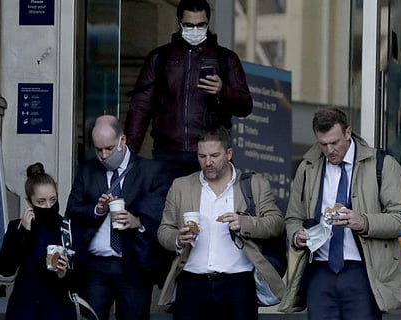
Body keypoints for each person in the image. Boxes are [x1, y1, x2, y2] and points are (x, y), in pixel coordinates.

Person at [278, 108, 401, 319]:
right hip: (320, 271)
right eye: (323, 144)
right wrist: (297, 235)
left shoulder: (382, 164)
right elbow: (293, 217)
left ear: (348, 133)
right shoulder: (307, 168)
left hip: (364, 272)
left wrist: (365, 222)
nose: (329, 150)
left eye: (335, 142)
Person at [157, 125, 285, 320]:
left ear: (229, 153)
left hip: (238, 285)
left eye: (214, 156)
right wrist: (177, 238)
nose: (208, 162)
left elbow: (276, 223)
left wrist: (245, 223)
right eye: (202, 156)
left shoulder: (255, 184)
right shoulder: (181, 186)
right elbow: (164, 230)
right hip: (191, 284)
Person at [125, 0, 253, 181]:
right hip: (167, 154)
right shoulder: (161, 58)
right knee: (167, 208)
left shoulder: (225, 59)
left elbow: (245, 106)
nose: (195, 30)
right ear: (179, 23)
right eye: (189, 25)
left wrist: (222, 90)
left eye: (201, 25)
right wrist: (128, 156)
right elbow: (140, 107)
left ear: (209, 22)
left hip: (208, 153)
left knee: (211, 208)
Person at [65, 115, 172, 320]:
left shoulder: (150, 171)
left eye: (109, 148)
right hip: (95, 266)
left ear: (122, 141)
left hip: (134, 265)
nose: (104, 155)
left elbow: (164, 214)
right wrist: (96, 210)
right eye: (98, 150)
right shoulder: (87, 171)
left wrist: (137, 221)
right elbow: (72, 211)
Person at [0, 162, 79, 320]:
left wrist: (64, 274)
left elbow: (84, 274)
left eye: (53, 200)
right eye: (41, 202)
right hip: (24, 308)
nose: (48, 206)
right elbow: (4, 268)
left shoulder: (67, 228)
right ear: (29, 202)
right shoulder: (17, 227)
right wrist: (23, 233)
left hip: (58, 309)